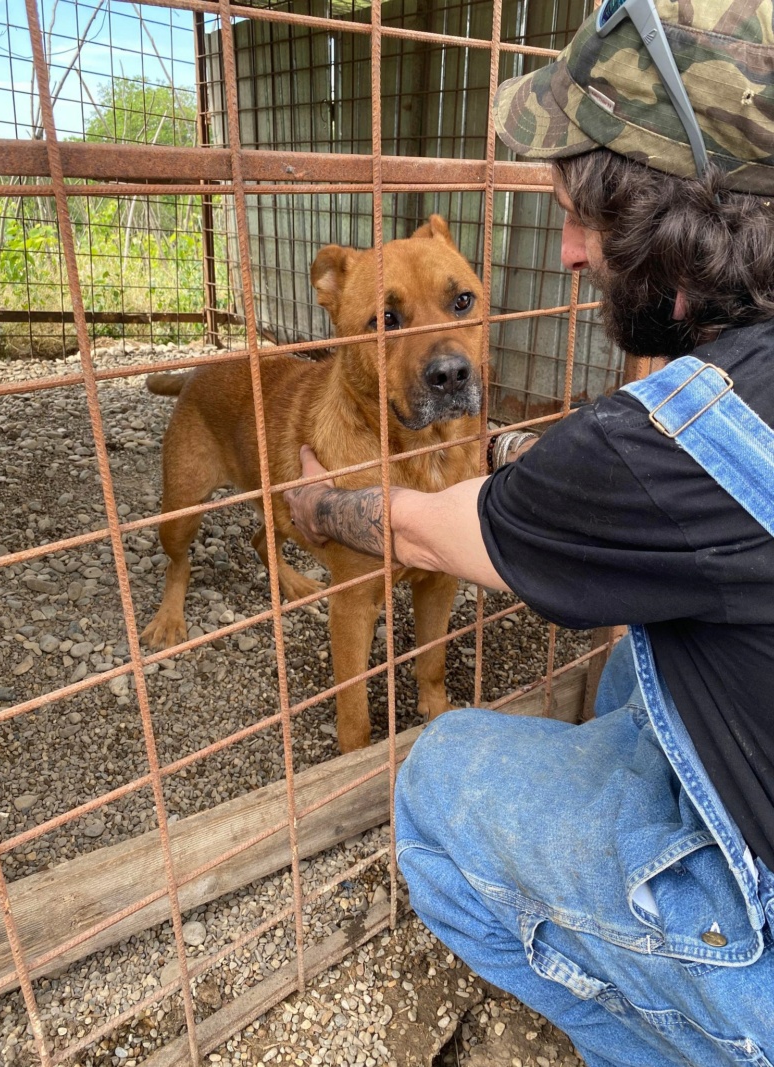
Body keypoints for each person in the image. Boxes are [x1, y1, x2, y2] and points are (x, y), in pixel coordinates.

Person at [284, 2, 774, 1063]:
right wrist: (508, 451)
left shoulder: (652, 445)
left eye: (585, 218)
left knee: (440, 766)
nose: (562, 253)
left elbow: (423, 533)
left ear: (670, 218)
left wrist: (316, 506)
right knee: (635, 670)